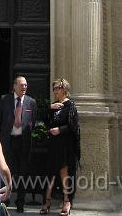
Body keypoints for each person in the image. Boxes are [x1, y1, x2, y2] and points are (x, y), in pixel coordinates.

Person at [40, 78, 80, 215]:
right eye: (54, 89)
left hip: (65, 144)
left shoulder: (70, 105)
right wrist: (48, 108)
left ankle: (67, 201)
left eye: (58, 88)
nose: (55, 91)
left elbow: (73, 126)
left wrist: (60, 130)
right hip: (53, 144)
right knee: (50, 173)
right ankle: (47, 201)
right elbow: (45, 121)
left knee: (64, 173)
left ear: (65, 89)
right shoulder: (54, 105)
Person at [0, 75, 37, 213]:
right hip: (8, 141)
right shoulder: (5, 100)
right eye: (21, 85)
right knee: (6, 170)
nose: (24, 87)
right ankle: (5, 199)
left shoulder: (31, 102)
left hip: (24, 142)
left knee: (23, 173)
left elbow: (33, 121)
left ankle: (20, 202)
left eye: (26, 85)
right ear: (14, 86)